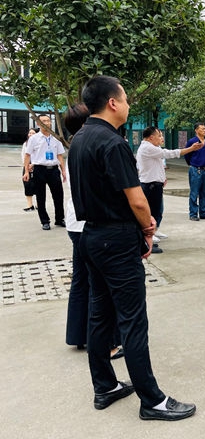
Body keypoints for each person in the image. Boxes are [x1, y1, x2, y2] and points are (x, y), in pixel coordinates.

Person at [68, 75, 195, 420]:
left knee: (100, 314)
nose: (127, 105)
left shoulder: (79, 138)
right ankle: (152, 400)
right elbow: (137, 200)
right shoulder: (113, 142)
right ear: (112, 102)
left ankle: (104, 386)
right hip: (116, 238)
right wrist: (148, 227)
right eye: (124, 99)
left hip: (91, 236)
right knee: (132, 320)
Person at [63, 103, 123, 360]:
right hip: (90, 224)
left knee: (81, 281)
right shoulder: (93, 144)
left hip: (74, 223)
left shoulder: (74, 146)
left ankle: (78, 335)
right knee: (100, 287)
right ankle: (106, 342)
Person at [136, 126, 204, 253]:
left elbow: (158, 164)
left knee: (157, 211)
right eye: (159, 135)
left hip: (155, 184)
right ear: (151, 137)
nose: (161, 138)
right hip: (150, 185)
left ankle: (153, 233)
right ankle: (147, 241)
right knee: (151, 214)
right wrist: (190, 149)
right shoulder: (147, 147)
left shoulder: (152, 147)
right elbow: (168, 153)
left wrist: (162, 178)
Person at [22, 115, 66, 230]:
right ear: (38, 124)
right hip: (39, 170)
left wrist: (63, 171)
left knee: (59, 195)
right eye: (43, 121)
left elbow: (60, 155)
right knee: (41, 197)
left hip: (54, 170)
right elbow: (27, 155)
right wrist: (26, 171)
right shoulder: (34, 139)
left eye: (48, 121)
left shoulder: (56, 138)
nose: (47, 123)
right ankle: (44, 221)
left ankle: (59, 219)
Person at [184, 122, 205, 221]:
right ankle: (193, 214)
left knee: (204, 192)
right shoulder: (192, 141)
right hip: (196, 170)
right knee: (194, 192)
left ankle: (203, 212)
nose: (204, 130)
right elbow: (187, 154)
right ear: (196, 130)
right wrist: (192, 164)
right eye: (202, 129)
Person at [21, 128, 37, 211]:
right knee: (27, 185)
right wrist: (26, 166)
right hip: (27, 166)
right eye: (30, 133)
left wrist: (33, 164)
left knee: (38, 186)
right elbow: (23, 156)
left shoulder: (39, 144)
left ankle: (39, 205)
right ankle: (30, 206)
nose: (31, 134)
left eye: (33, 133)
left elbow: (40, 156)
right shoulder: (25, 144)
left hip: (37, 166)